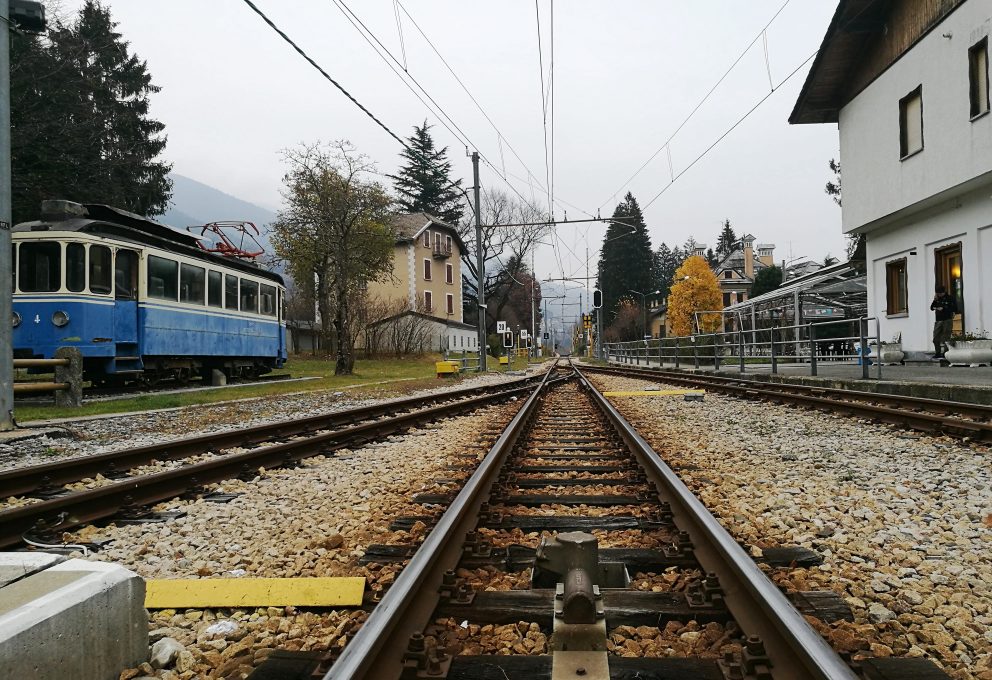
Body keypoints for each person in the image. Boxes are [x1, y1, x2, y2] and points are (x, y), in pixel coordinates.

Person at [930, 284, 958, 358]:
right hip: (938, 320)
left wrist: (944, 309)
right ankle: (937, 352)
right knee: (935, 338)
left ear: (943, 292)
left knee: (946, 337)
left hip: (947, 319)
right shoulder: (937, 299)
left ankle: (945, 353)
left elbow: (955, 308)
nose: (939, 295)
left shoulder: (950, 298)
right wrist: (935, 300)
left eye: (940, 293)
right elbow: (932, 307)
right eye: (937, 293)